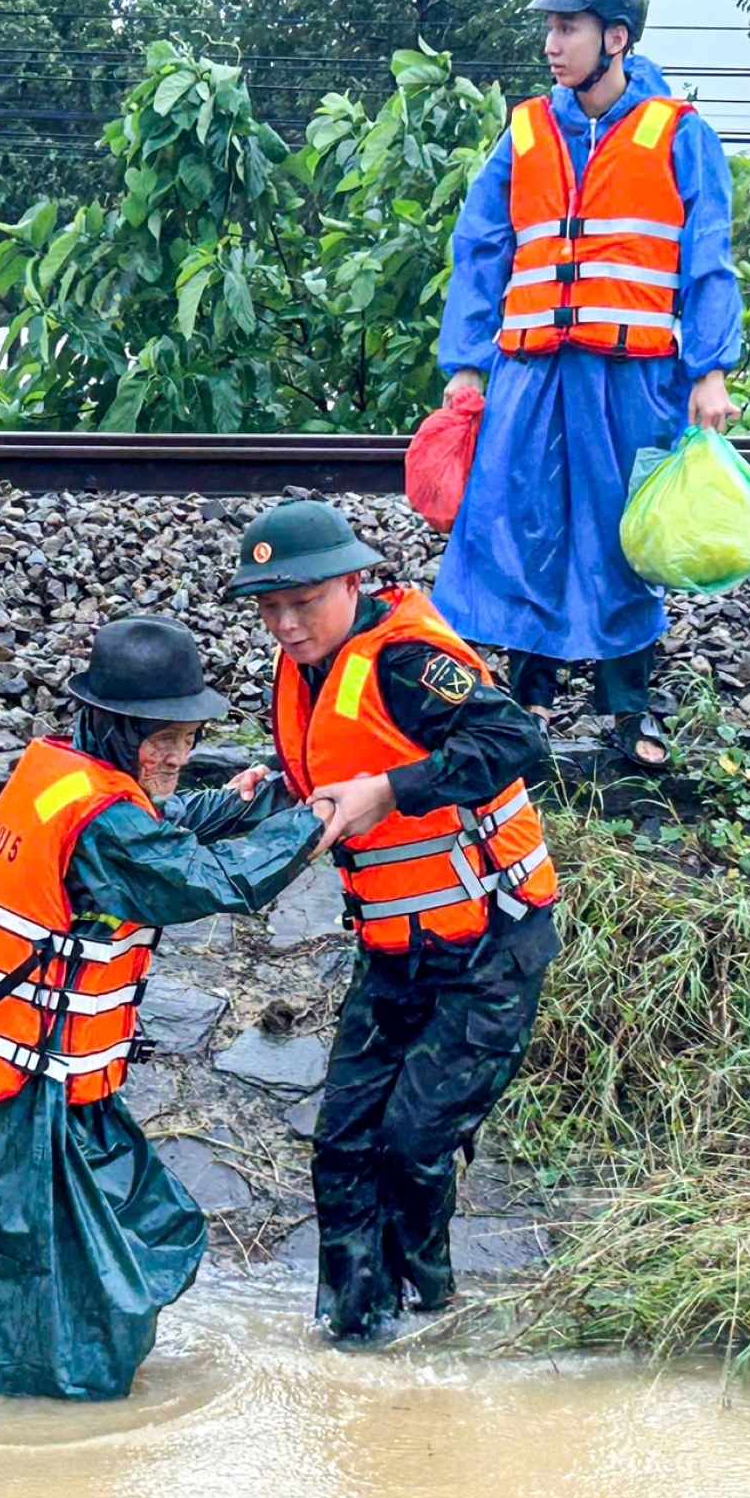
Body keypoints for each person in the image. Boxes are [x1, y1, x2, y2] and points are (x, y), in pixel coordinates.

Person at [0, 617, 341, 1399]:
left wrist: (232, 804)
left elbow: (149, 832)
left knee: (11, 1250)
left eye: (189, 739)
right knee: (71, 1283)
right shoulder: (105, 819)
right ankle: (57, 1407)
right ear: (118, 730)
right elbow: (205, 881)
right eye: (166, 740)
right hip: (15, 1094)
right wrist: (317, 820)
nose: (179, 757)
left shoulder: (59, 772)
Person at [224, 500, 557, 1340]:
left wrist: (390, 792)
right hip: (395, 949)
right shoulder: (304, 671)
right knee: (342, 1144)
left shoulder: (405, 659)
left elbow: (517, 742)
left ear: (352, 582)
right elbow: (340, 758)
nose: (287, 625)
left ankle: (432, 1317)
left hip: (490, 942)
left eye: (303, 602)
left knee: (413, 1143)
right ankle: (353, 1333)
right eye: (270, 609)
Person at [431, 0, 744, 771]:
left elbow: (710, 258)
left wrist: (710, 369)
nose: (550, 44)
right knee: (528, 524)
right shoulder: (527, 130)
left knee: (621, 538)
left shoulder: (680, 133)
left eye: (566, 27)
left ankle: (631, 708)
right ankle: (531, 697)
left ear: (616, 38)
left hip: (633, 375)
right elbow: (480, 249)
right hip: (532, 375)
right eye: (548, 27)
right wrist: (466, 366)